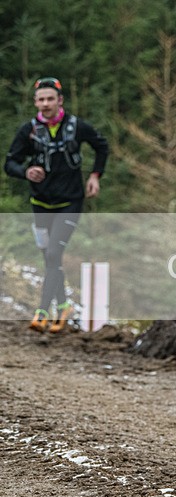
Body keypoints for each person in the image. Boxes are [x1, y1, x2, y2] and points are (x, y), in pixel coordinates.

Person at [4, 77, 109, 333]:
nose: (45, 104)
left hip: (69, 203)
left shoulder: (76, 126)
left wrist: (95, 176)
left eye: (50, 99)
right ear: (35, 102)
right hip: (40, 203)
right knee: (51, 258)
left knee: (53, 254)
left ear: (59, 100)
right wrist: (26, 172)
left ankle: (42, 311)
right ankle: (64, 306)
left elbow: (101, 146)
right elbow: (10, 163)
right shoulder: (27, 130)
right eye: (41, 99)